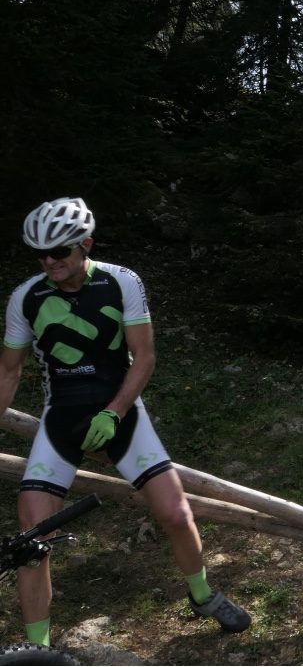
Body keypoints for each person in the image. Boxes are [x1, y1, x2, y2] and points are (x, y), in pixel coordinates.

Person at [0, 197, 251, 647]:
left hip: (122, 412)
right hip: (62, 419)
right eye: (40, 254)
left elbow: (146, 356)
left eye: (59, 251)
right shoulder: (26, 297)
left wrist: (113, 412)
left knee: (176, 513)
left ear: (85, 245)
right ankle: (38, 650)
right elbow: (8, 371)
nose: (49, 262)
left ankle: (203, 594)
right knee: (31, 542)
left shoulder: (121, 282)